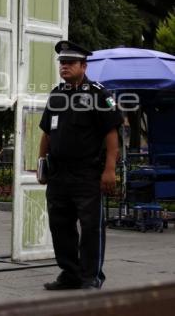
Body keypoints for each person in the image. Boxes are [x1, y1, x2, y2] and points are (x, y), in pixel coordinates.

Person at [38, 40, 123, 291]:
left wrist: (109, 170)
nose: (64, 67)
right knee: (60, 226)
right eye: (62, 63)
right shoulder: (57, 94)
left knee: (90, 227)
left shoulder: (98, 94)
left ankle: (91, 276)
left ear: (83, 66)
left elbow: (111, 134)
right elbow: (46, 132)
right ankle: (70, 273)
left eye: (70, 63)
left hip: (87, 173)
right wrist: (41, 162)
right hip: (59, 173)